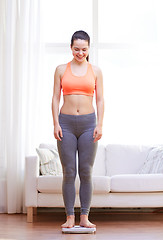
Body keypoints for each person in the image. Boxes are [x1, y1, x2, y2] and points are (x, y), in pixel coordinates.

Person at [52, 30, 104, 228]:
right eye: (76, 49)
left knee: (86, 171)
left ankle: (84, 217)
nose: (80, 53)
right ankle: (69, 217)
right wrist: (55, 123)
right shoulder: (60, 69)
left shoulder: (96, 71)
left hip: (88, 124)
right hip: (65, 123)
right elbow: (55, 98)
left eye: (84, 49)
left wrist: (100, 124)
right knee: (69, 171)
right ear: (71, 48)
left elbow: (100, 99)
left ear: (89, 48)